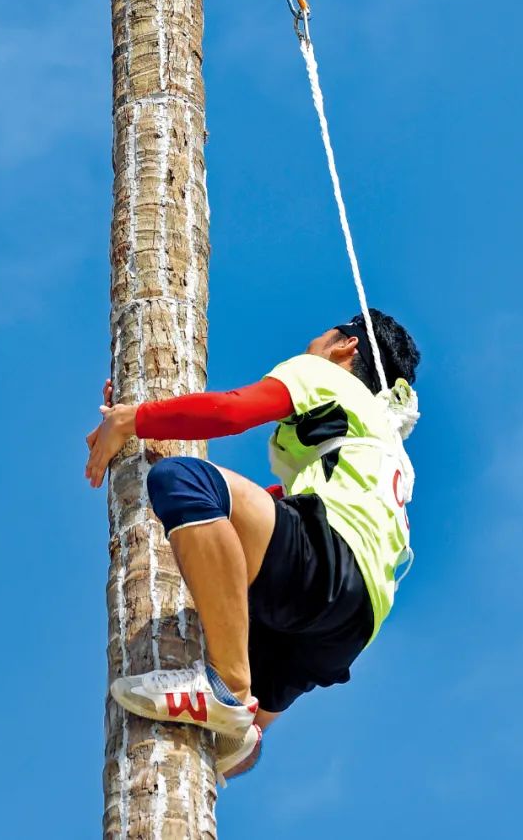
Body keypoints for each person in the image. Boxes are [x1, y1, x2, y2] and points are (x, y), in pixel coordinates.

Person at [84, 310, 420, 782]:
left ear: (347, 347)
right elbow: (264, 511)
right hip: (354, 624)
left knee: (183, 481)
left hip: (325, 564)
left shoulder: (328, 375)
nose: (313, 341)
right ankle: (232, 706)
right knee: (237, 746)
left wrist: (133, 418)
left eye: (322, 334)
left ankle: (228, 687)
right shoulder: (379, 448)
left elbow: (233, 410)